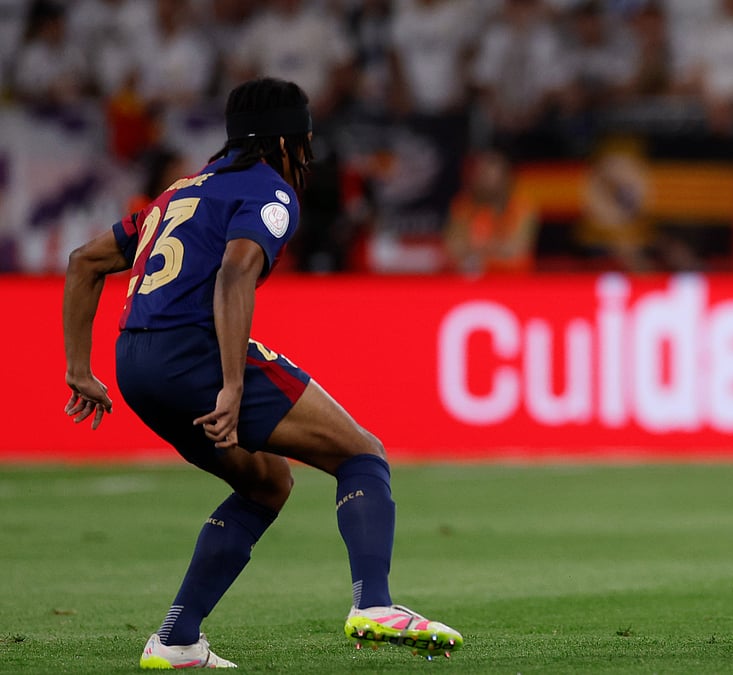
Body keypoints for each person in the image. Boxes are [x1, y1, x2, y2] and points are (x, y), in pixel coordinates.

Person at [62, 77, 462, 669]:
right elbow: (234, 274)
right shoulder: (268, 190)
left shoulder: (179, 192)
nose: (307, 153)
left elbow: (84, 261)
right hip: (193, 353)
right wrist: (231, 385)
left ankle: (176, 639)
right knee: (361, 454)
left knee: (267, 483)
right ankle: (374, 604)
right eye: (304, 140)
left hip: (133, 363)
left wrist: (79, 369)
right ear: (283, 141)